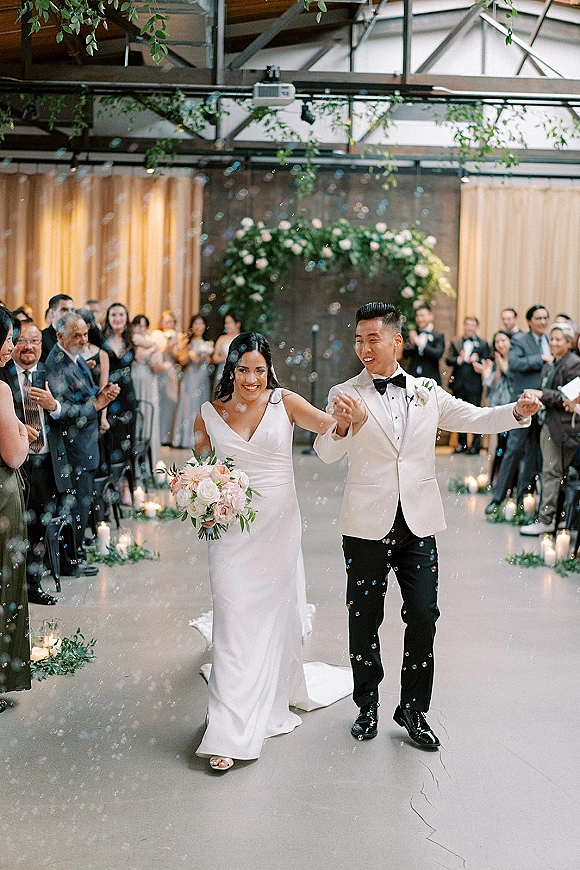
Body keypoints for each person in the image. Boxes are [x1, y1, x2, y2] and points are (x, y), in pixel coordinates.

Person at [314, 302, 541, 749]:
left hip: (418, 523)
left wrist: (516, 411)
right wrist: (342, 428)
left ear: (397, 341)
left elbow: (475, 419)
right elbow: (325, 452)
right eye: (358, 339)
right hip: (365, 525)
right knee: (364, 619)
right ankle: (367, 704)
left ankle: (413, 710)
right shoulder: (345, 392)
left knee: (423, 615)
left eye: (372, 339)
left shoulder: (426, 390)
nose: (363, 347)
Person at [193, 332, 352, 771]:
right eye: (243, 369)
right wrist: (201, 501)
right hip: (230, 530)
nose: (251, 378)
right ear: (231, 368)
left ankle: (253, 707)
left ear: (269, 370)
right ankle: (227, 726)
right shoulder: (209, 415)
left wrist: (344, 419)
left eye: (259, 370)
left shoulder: (286, 402)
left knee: (270, 615)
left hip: (278, 527)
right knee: (231, 616)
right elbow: (198, 473)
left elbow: (330, 430)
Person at [0, 321, 73, 602]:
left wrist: (54, 406)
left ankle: (32, 584)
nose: (28, 347)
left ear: (42, 346)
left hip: (44, 462)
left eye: (35, 341)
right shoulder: (4, 376)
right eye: (21, 341)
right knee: (14, 528)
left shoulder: (52, 374)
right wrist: (19, 429)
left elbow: (73, 415)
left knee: (40, 528)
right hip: (12, 464)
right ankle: (11, 587)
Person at [45, 313, 120, 576]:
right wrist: (97, 405)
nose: (83, 340)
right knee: (75, 506)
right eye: (76, 335)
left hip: (85, 445)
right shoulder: (56, 365)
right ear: (60, 336)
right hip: (73, 448)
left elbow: (83, 399)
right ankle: (70, 561)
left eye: (85, 334)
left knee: (82, 505)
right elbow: (64, 413)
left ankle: (75, 555)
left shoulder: (75, 359)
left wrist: (102, 395)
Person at [485, 304, 551, 514]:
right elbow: (513, 363)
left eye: (545, 318)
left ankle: (523, 497)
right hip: (524, 401)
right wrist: (539, 359)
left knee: (533, 452)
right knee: (513, 449)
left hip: (543, 403)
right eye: (538, 318)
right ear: (529, 321)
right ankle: (498, 497)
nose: (543, 322)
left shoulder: (550, 340)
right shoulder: (521, 340)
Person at [0, 308, 33, 711]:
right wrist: (23, 434)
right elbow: (12, 455)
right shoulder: (1, 390)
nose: (12, 346)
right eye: (8, 338)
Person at [520, 321, 580, 536]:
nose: (553, 343)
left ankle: (547, 520)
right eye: (551, 339)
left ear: (569, 342)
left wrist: (541, 395)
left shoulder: (574, 363)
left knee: (552, 473)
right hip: (547, 423)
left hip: (563, 428)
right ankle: (555, 518)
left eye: (558, 339)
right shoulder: (551, 363)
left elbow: (567, 395)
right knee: (551, 472)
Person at [445, 316, 491, 454]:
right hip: (458, 384)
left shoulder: (483, 344)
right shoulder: (456, 342)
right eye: (467, 325)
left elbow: (489, 360)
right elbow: (448, 359)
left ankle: (476, 445)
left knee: (475, 414)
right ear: (464, 326)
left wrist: (478, 360)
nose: (469, 328)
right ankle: (462, 444)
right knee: (459, 415)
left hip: (475, 385)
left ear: (476, 327)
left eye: (472, 325)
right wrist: (460, 359)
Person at [102, 303, 137, 479]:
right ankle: (111, 479)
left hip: (128, 395)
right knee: (111, 437)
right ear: (108, 318)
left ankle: (125, 483)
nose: (117, 318)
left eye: (121, 315)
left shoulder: (131, 340)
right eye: (114, 314)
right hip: (109, 393)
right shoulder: (101, 341)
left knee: (128, 437)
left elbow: (153, 346)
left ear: (126, 318)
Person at [476, 330, 512, 483]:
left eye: (503, 340)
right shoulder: (494, 362)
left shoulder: (515, 360)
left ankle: (504, 479)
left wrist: (505, 367)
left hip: (512, 408)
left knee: (507, 447)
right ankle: (492, 477)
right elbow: (490, 387)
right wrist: (487, 373)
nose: (500, 344)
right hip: (498, 408)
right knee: (494, 444)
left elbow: (514, 381)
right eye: (497, 342)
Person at [172, 314, 213, 449]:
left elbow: (211, 361)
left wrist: (205, 357)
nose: (198, 326)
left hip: (202, 377)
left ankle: (200, 440)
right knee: (187, 405)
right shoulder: (187, 343)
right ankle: (184, 439)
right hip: (190, 376)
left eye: (201, 324)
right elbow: (181, 360)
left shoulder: (208, 343)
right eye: (196, 323)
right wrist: (189, 354)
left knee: (201, 405)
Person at [131, 314, 164, 468]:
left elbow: (158, 368)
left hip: (149, 385)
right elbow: (137, 356)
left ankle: (150, 463)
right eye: (136, 325)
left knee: (150, 417)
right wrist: (153, 347)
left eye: (142, 326)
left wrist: (153, 350)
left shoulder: (152, 344)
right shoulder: (134, 340)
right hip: (134, 384)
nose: (139, 329)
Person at [150, 310, 181, 446]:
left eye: (171, 321)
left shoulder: (178, 336)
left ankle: (168, 437)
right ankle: (157, 436)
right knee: (159, 402)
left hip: (172, 372)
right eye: (166, 321)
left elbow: (179, 357)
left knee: (171, 403)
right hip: (159, 371)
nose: (168, 324)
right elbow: (155, 353)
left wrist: (174, 347)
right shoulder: (156, 335)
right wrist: (166, 345)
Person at [404, 304, 445, 385]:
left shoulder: (438, 335)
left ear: (431, 316)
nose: (419, 319)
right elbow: (405, 355)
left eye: (422, 316)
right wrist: (411, 343)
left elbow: (437, 354)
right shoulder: (414, 333)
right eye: (417, 316)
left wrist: (419, 343)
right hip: (413, 377)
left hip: (431, 378)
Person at [211, 311, 242, 388]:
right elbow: (214, 357)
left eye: (229, 323)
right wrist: (226, 358)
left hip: (239, 371)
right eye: (226, 323)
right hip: (223, 370)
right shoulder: (221, 339)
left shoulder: (243, 339)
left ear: (237, 324)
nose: (226, 326)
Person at [40, 294, 75, 362]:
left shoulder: (76, 337)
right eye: (64, 310)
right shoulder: (42, 338)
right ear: (52, 313)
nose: (70, 314)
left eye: (72, 310)